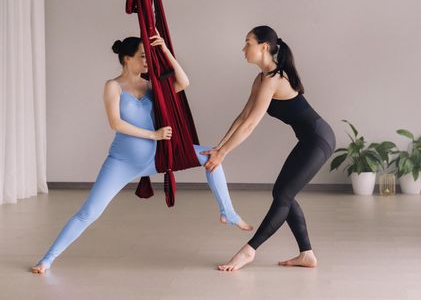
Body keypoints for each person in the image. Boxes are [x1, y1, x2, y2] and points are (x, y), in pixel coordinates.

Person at [32, 35, 252, 274]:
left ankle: (227, 212)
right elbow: (115, 123)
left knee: (212, 155)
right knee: (88, 213)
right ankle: (47, 259)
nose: (148, 60)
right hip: (121, 163)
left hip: (155, 159)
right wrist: (154, 135)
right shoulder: (112, 86)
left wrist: (165, 50)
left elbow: (183, 82)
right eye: (143, 56)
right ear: (127, 59)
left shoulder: (151, 86)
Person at [201, 26, 336, 271]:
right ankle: (306, 254)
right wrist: (218, 147)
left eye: (248, 43)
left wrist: (223, 154)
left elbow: (251, 124)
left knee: (283, 195)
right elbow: (243, 117)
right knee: (283, 194)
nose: (244, 48)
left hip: (319, 139)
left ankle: (248, 251)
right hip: (309, 140)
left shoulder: (275, 78)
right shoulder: (261, 79)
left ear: (264, 46)